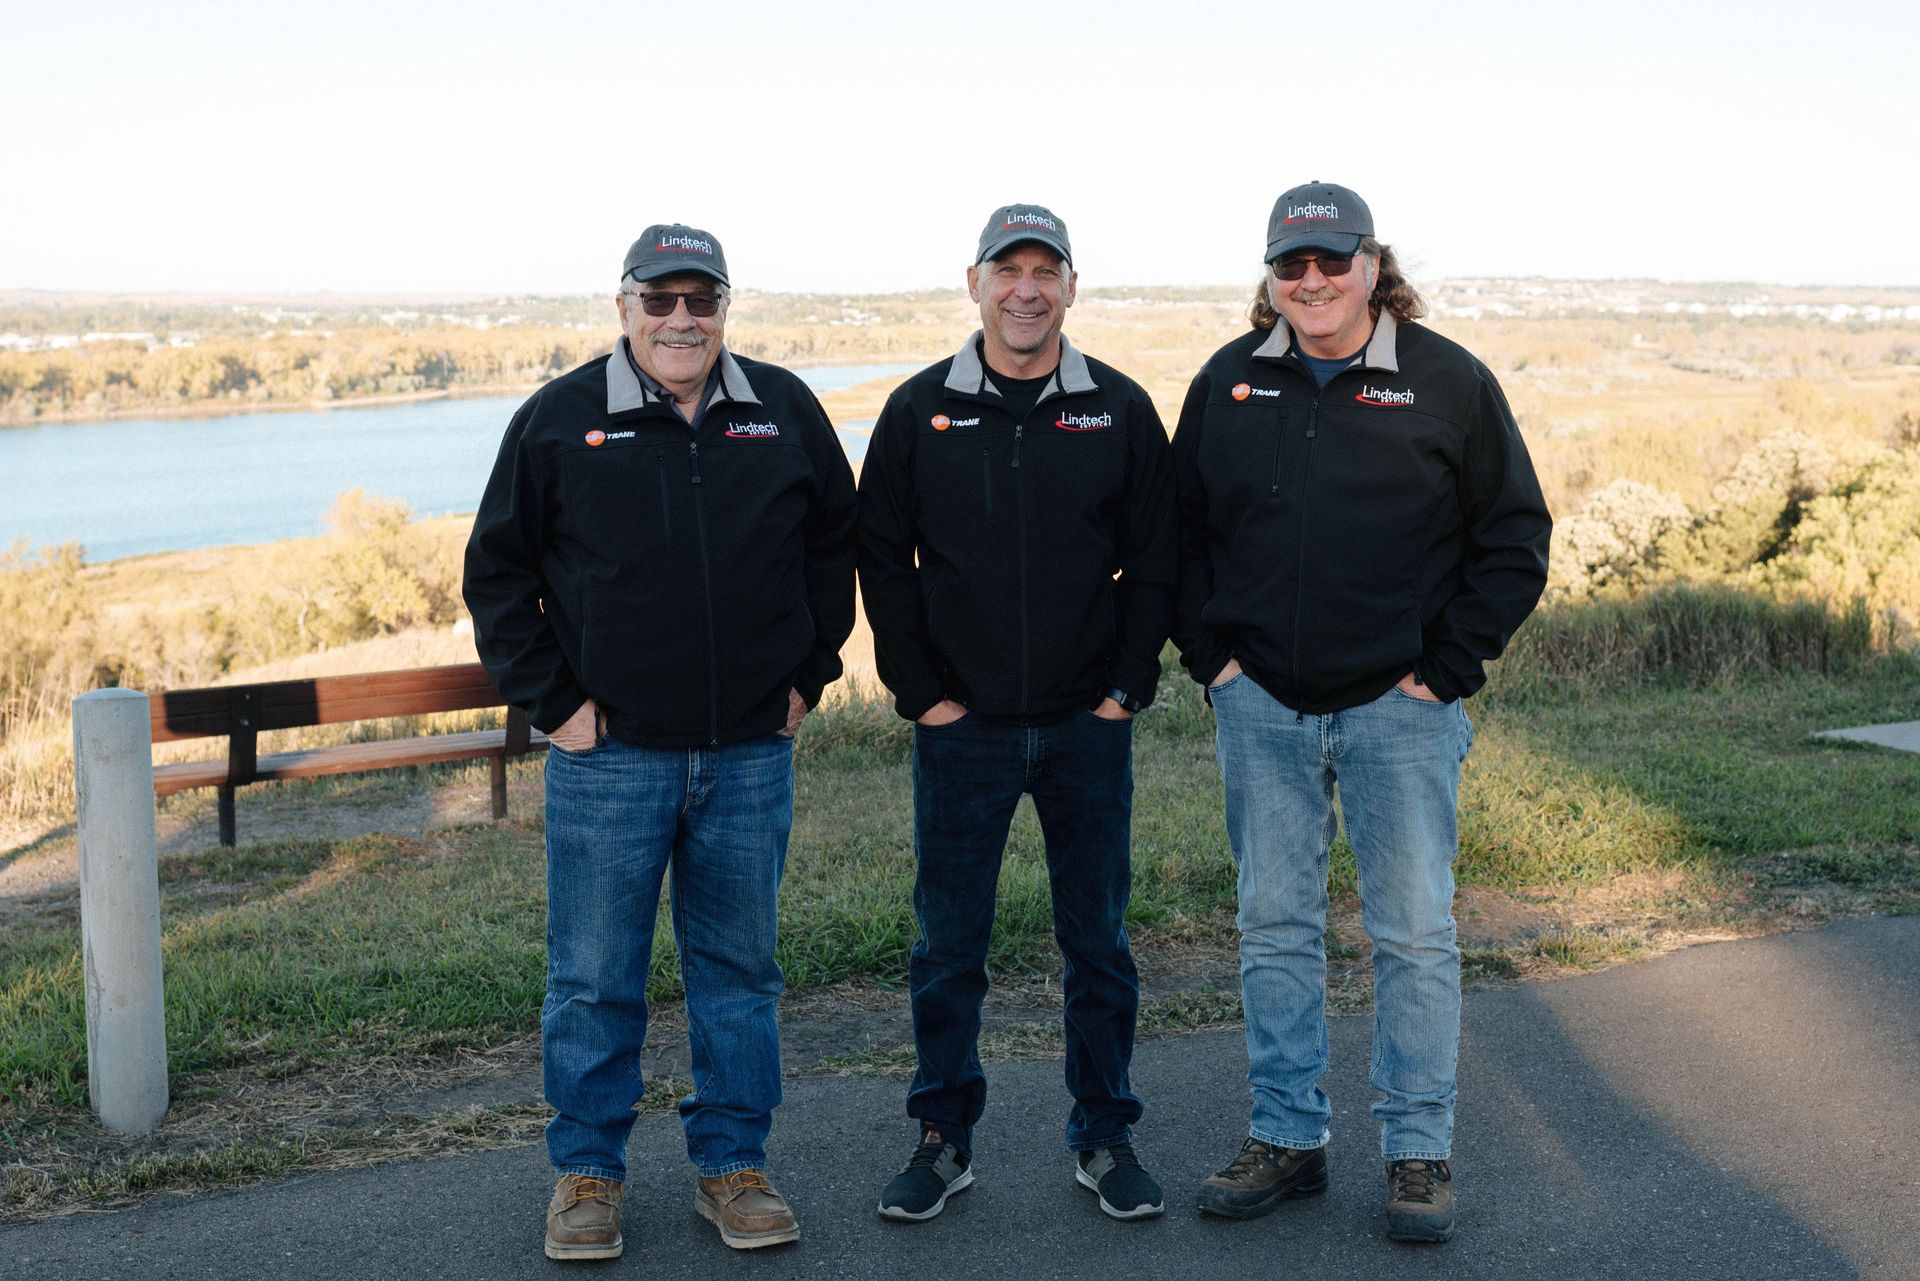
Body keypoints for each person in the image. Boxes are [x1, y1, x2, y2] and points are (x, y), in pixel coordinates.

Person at [463, 224, 857, 1260]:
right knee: (595, 978)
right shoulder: (559, 420)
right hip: (611, 761)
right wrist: (556, 704)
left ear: (726, 305)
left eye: (702, 298)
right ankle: (587, 1175)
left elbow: (832, 546)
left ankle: (732, 1167)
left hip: (747, 756)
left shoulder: (781, 409)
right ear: (624, 304)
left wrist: (809, 675)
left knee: (739, 972)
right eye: (661, 298)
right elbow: (498, 576)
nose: (682, 318)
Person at [1172, 182, 1550, 1242]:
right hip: (1263, 710)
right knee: (1274, 930)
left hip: (1400, 712)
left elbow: (1515, 537)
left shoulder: (1447, 381)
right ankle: (1287, 1138)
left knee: (1416, 936)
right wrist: (1216, 662)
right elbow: (1177, 535)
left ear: (1373, 266)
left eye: (1332, 261)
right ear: (1271, 277)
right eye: (1291, 266)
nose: (1312, 282)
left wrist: (1445, 668)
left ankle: (1417, 1150)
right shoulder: (1229, 382)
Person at [857, 203, 1178, 1223]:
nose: (1027, 288)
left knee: (1100, 943)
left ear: (1072, 288)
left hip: (1088, 728)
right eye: (1010, 270)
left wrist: (1127, 687)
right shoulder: (919, 412)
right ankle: (943, 1140)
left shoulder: (1118, 409)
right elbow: (881, 562)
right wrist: (925, 697)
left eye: (1048, 270)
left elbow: (1158, 560)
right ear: (976, 283)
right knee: (949, 947)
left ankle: (1105, 1136)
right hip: (967, 732)